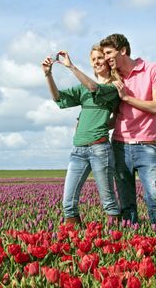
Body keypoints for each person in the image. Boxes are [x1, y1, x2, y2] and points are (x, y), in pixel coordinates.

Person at [42, 45, 121, 226]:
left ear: (108, 62)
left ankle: (118, 237)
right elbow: (58, 99)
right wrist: (48, 75)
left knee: (108, 201)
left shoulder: (113, 88)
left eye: (100, 58)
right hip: (78, 150)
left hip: (100, 148)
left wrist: (71, 66)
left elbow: (94, 87)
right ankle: (75, 242)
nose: (96, 62)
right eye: (93, 60)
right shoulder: (82, 89)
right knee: (68, 204)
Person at [100, 33, 156, 225]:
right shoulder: (114, 80)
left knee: (154, 196)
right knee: (126, 201)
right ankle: (131, 239)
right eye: (104, 54)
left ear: (122, 50)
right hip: (120, 145)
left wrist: (127, 97)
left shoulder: (152, 69)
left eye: (108, 53)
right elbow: (115, 117)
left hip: (146, 145)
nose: (106, 58)